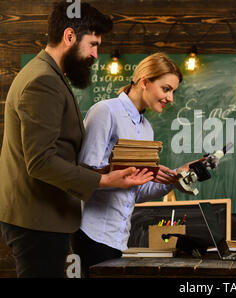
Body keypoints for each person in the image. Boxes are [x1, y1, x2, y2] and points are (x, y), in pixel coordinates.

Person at [0, 2, 154, 278]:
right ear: (69, 36)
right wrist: (106, 180)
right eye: (93, 44)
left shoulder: (51, 76)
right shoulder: (43, 81)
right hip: (38, 221)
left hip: (46, 219)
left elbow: (57, 155)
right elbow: (41, 162)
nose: (96, 54)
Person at [71, 52, 197, 277]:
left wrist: (174, 179)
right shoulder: (105, 112)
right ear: (145, 81)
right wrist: (121, 178)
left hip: (119, 240)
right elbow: (83, 176)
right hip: (91, 235)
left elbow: (135, 192)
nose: (170, 98)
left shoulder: (146, 128)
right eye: (166, 89)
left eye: (173, 91)